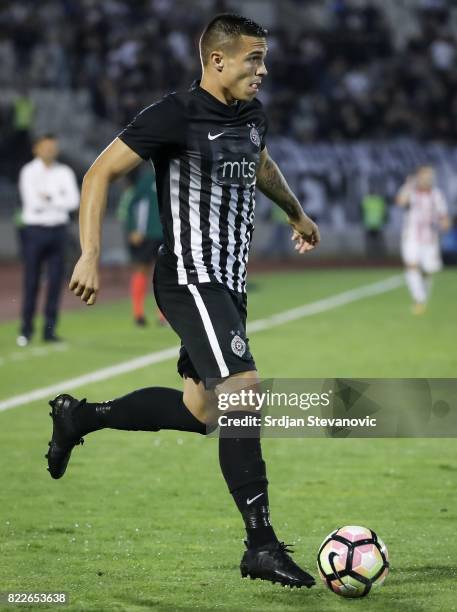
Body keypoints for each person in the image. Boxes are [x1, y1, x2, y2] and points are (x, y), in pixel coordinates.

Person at [45, 14, 320, 588]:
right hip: (190, 278)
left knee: (203, 411)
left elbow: (260, 163)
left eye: (264, 59)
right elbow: (98, 174)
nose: (263, 70)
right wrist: (90, 254)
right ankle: (261, 545)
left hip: (229, 282)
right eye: (253, 59)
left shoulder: (251, 114)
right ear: (217, 60)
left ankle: (80, 417)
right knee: (244, 391)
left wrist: (294, 211)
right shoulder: (176, 113)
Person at [17, 134, 79, 346]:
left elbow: (73, 201)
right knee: (31, 281)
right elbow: (33, 202)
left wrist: (49, 197)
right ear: (37, 148)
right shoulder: (28, 171)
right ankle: (25, 330)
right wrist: (57, 198)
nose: (50, 150)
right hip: (35, 231)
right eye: (46, 146)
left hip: (58, 231)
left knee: (55, 282)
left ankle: (49, 331)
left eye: (53, 146)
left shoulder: (64, 172)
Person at [396, 166, 450, 314]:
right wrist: (408, 185)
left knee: (427, 270)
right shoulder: (410, 191)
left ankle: (422, 298)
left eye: (429, 177)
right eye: (424, 177)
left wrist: (444, 224)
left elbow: (444, 217)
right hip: (411, 237)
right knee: (412, 265)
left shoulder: (436, 195)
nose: (427, 180)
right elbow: (400, 201)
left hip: (430, 239)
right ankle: (418, 299)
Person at [117, 167, 166, 326]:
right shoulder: (148, 179)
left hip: (166, 233)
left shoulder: (174, 176)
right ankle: (138, 314)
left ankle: (163, 315)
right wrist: (133, 228)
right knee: (141, 269)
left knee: (165, 273)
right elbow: (133, 203)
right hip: (147, 234)